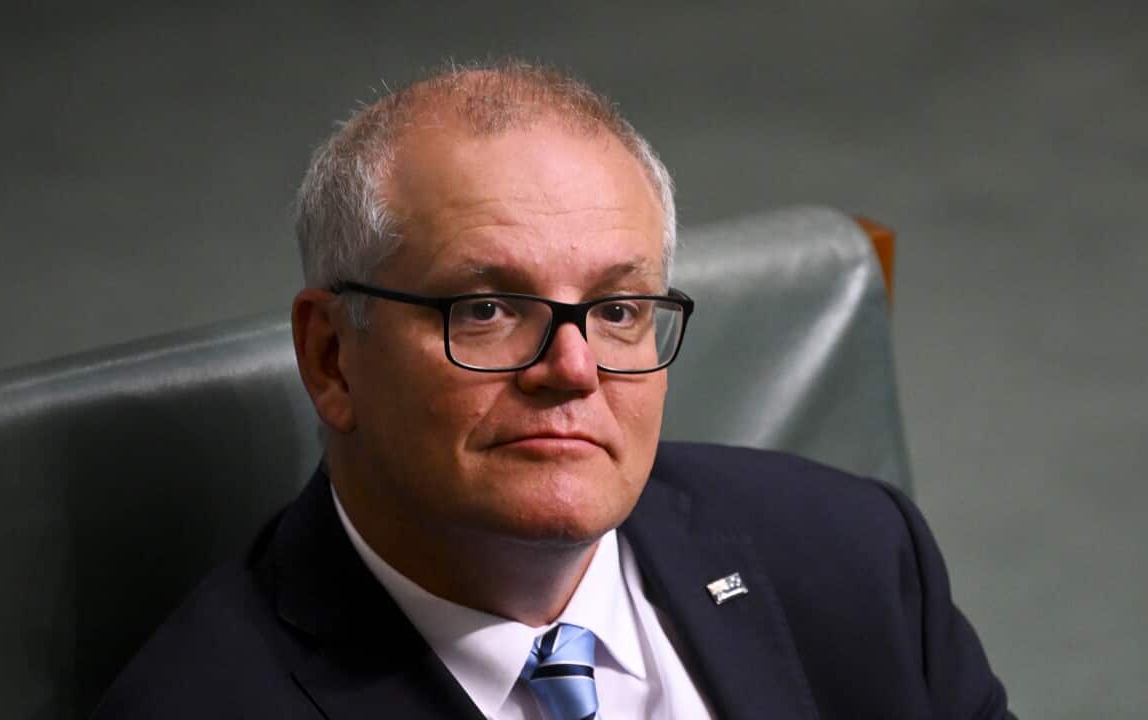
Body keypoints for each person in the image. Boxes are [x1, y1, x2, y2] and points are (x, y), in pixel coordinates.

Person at [94, 60, 1012, 719]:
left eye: (617, 310)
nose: (571, 369)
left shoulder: (856, 555)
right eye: (488, 308)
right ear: (334, 357)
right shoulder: (202, 701)